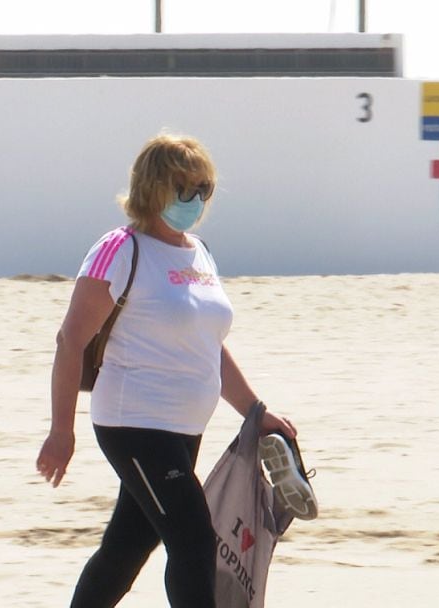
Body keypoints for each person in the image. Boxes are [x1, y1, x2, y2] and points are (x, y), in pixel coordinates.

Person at [35, 134, 300, 608]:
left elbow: (209, 346)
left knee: (126, 548)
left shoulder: (199, 252)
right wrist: (61, 431)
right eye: (186, 189)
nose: (197, 201)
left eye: (206, 189)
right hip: (132, 424)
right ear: (155, 187)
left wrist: (255, 411)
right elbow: (69, 340)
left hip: (184, 429)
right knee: (195, 540)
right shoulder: (120, 249)